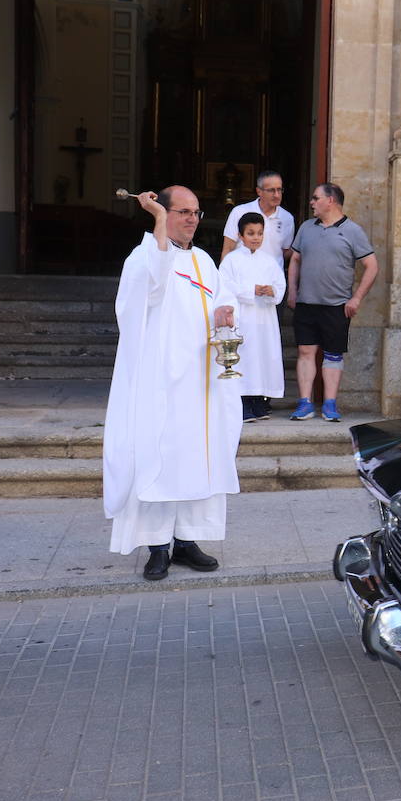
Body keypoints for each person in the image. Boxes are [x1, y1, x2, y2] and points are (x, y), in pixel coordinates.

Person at [103, 186, 237, 582]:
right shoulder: (144, 255)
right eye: (182, 212)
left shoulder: (203, 261)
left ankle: (187, 540)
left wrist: (226, 311)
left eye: (196, 212)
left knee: (197, 458)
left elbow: (219, 301)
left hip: (200, 383)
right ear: (164, 212)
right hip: (160, 382)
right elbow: (152, 288)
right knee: (158, 460)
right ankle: (157, 546)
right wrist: (158, 221)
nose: (192, 219)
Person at [285, 183, 379, 422]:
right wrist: (292, 291)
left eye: (316, 198)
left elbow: (372, 266)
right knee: (305, 351)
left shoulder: (353, 231)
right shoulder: (306, 228)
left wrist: (357, 298)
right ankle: (305, 403)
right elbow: (295, 259)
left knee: (333, 355)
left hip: (337, 306)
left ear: (331, 201)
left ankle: (329, 404)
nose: (312, 202)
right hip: (307, 303)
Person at [218, 213, 286, 422]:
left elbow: (280, 285)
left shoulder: (269, 261)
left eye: (259, 233)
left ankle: (260, 399)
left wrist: (271, 291)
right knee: (246, 358)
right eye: (251, 233)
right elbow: (225, 285)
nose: (256, 238)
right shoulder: (231, 260)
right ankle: (243, 401)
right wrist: (251, 289)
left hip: (265, 318)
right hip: (243, 317)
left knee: (264, 357)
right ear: (240, 235)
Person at [220, 170, 296, 267]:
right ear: (259, 191)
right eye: (271, 190)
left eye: (279, 190)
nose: (277, 195)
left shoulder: (287, 218)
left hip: (271, 279)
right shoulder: (239, 212)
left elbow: (284, 253)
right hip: (241, 276)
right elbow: (228, 249)